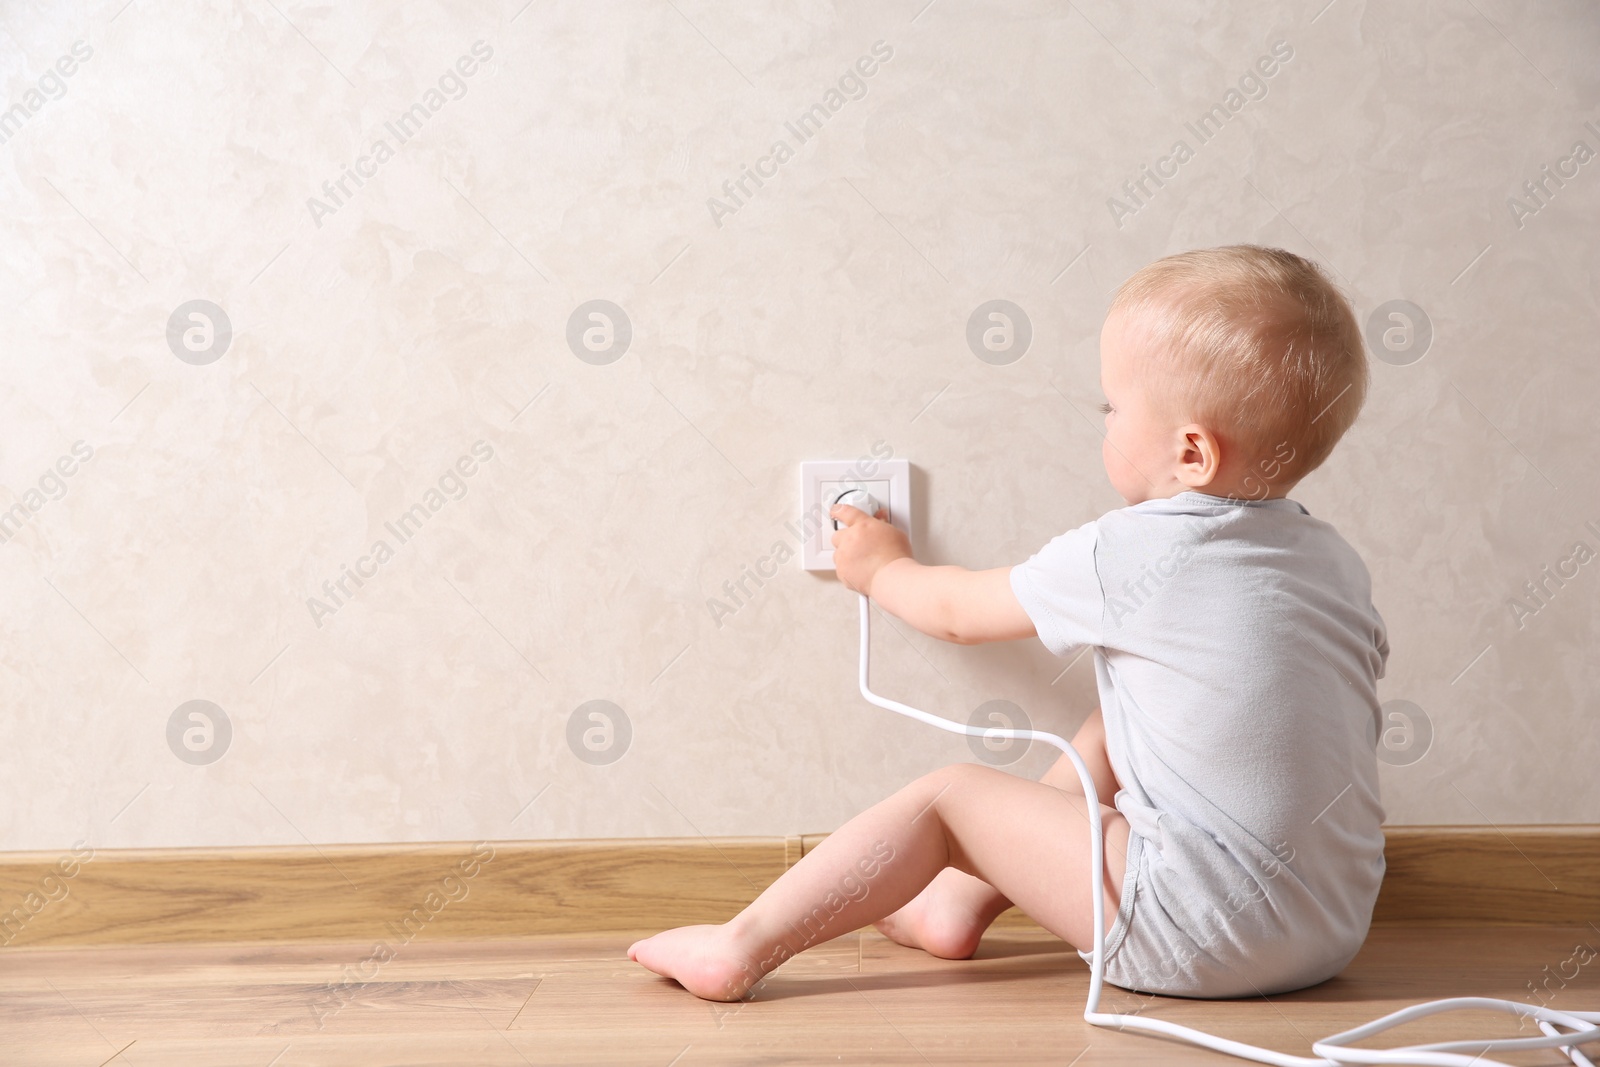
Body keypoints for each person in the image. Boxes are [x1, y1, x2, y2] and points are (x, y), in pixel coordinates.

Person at [629, 244, 1389, 1002]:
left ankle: (741, 946)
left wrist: (880, 565)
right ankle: (956, 901)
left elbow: (958, 613)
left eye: (1112, 408)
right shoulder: (1336, 564)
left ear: (1191, 452)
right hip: (1330, 931)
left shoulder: (1128, 550)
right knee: (1121, 721)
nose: (1104, 422)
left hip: (1196, 936)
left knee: (950, 796)